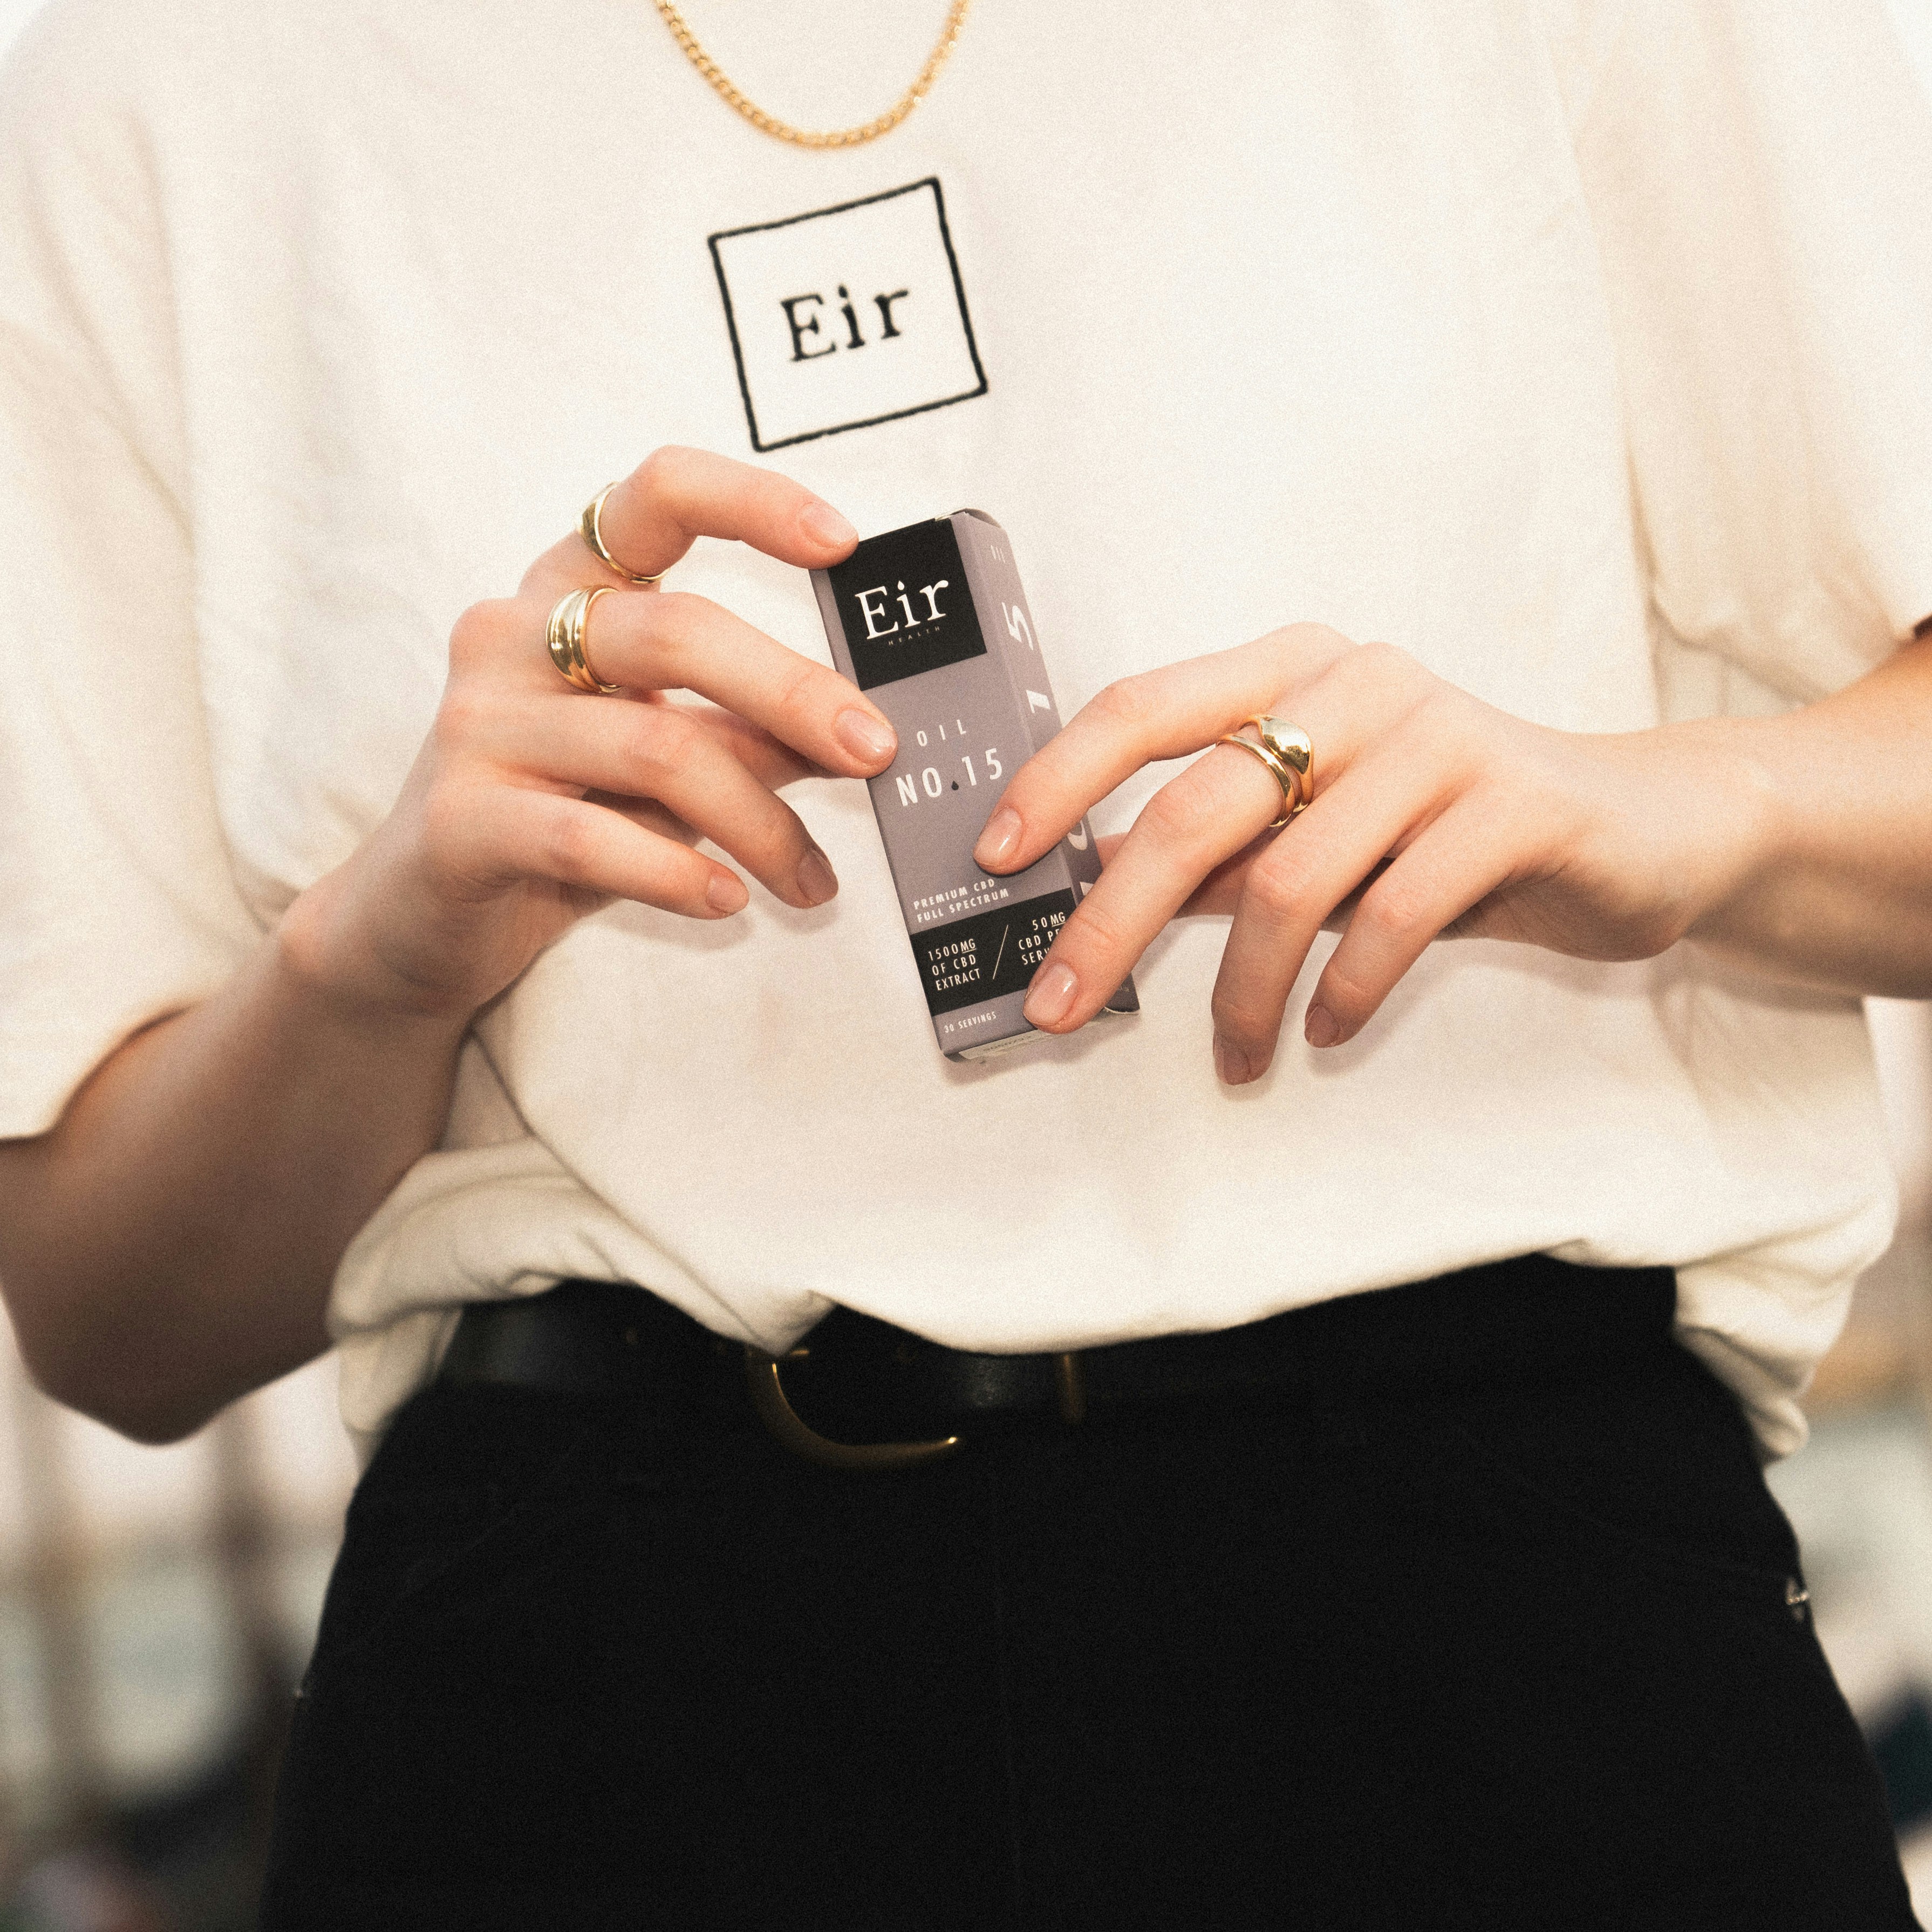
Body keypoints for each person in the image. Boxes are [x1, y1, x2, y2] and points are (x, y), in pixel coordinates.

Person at [1, 0, 1929, 1923]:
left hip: (1519, 1601)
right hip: (603, 1663)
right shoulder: (146, 75)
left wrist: (1685, 813)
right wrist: (378, 961)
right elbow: (115, 1321)